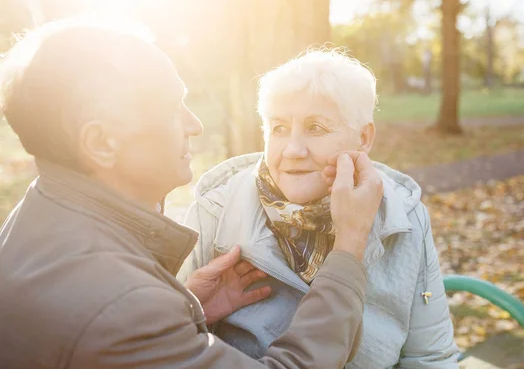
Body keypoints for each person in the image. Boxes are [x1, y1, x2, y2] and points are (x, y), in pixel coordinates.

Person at [0, 19, 385, 368]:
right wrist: (349, 248)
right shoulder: (122, 305)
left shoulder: (37, 214)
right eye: (172, 108)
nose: (195, 124)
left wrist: (187, 307)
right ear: (101, 142)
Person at [178, 50, 460, 368]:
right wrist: (189, 312)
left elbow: (430, 356)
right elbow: (177, 348)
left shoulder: (403, 214)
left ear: (363, 137)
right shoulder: (216, 211)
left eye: (316, 128)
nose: (294, 150)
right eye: (279, 128)